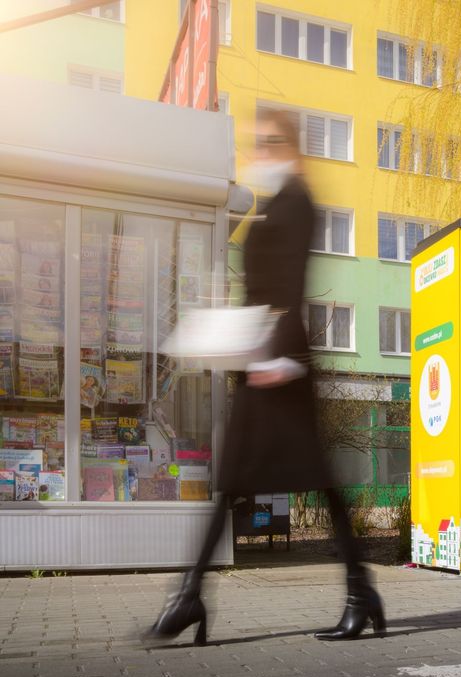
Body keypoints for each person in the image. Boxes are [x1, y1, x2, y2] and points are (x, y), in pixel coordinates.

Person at [146, 110, 383, 644]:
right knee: (236, 479)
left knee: (311, 480)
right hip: (263, 364)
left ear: (291, 146)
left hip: (280, 370)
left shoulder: (297, 200)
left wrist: (281, 357)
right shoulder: (276, 202)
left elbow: (291, 283)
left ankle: (357, 594)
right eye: (258, 143)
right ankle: (192, 595)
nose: (261, 152)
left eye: (270, 142)